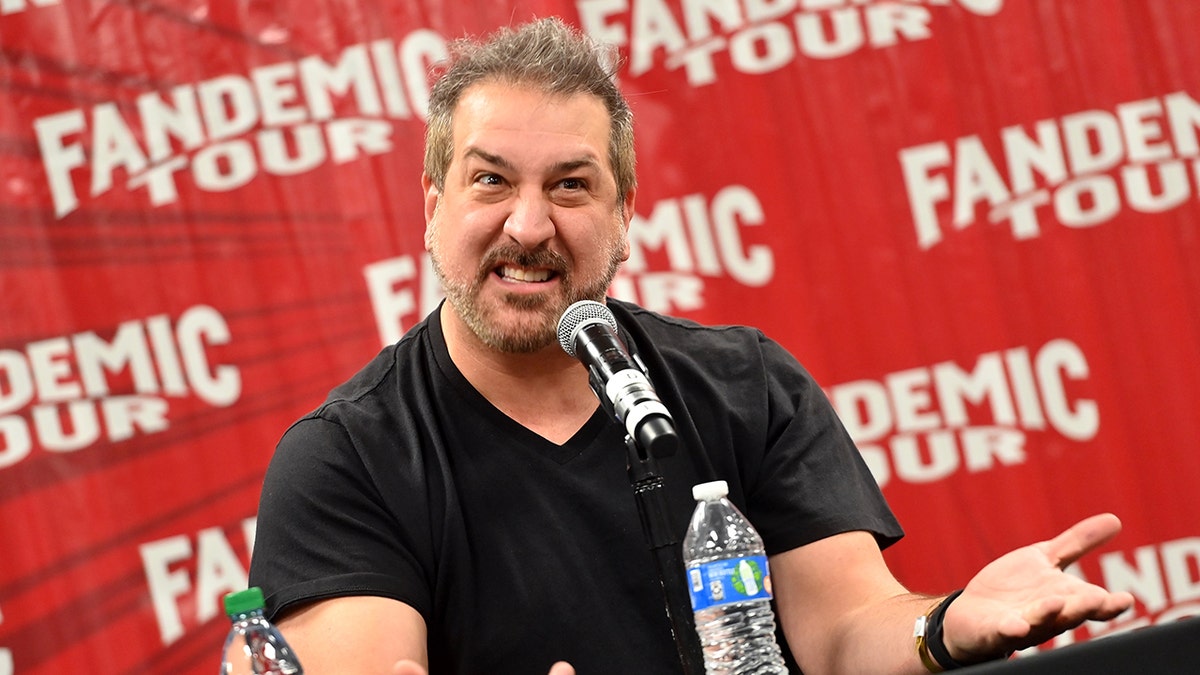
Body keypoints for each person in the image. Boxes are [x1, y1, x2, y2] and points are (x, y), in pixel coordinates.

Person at [246, 16, 1134, 675]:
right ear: (433, 205)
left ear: (625, 213)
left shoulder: (744, 383)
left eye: (571, 184)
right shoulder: (346, 458)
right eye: (490, 181)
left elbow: (844, 629)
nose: (529, 223)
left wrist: (940, 627)